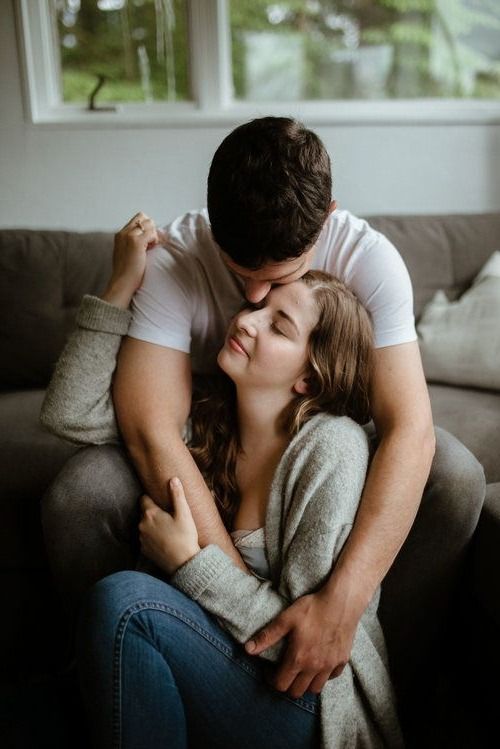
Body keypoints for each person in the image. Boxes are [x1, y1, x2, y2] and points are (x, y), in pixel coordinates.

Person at [41, 117, 485, 723]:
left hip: (301, 464)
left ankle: (375, 690)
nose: (250, 301)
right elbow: (148, 428)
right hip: (217, 441)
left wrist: (339, 607)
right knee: (83, 488)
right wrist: (210, 579)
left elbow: (410, 427)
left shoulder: (367, 265)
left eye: (277, 288)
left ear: (326, 218)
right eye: (239, 272)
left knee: (454, 471)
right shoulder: (180, 261)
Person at [43, 249, 403, 747]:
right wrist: (121, 286)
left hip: (307, 702)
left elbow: (303, 648)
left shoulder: (331, 449)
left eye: (279, 326)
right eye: (258, 308)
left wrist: (191, 561)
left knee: (125, 605)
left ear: (309, 378)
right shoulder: (206, 418)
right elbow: (69, 414)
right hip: (218, 664)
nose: (248, 321)